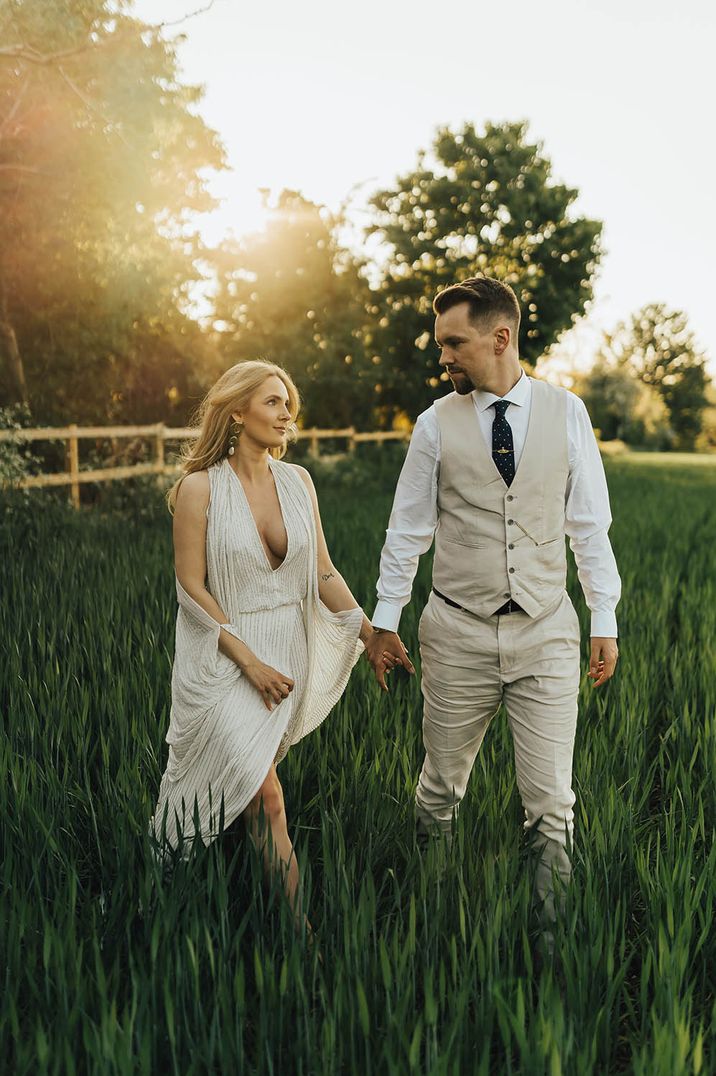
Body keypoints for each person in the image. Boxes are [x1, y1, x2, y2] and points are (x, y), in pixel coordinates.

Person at [364, 276, 621, 947]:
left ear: (499, 336)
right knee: (441, 791)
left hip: (546, 633)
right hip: (456, 635)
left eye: (453, 342)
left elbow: (589, 524)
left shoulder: (567, 413)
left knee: (552, 805)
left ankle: (551, 945)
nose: (441, 356)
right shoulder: (432, 425)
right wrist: (385, 620)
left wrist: (604, 619)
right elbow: (408, 530)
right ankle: (438, 926)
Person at [150, 359, 382, 946]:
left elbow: (323, 572)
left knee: (249, 790)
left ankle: (182, 885)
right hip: (226, 656)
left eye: (288, 404)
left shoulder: (299, 482)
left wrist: (369, 632)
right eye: (274, 402)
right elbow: (190, 588)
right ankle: (298, 935)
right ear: (236, 411)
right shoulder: (198, 488)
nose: (287, 414)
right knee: (264, 794)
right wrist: (247, 660)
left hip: (286, 655)